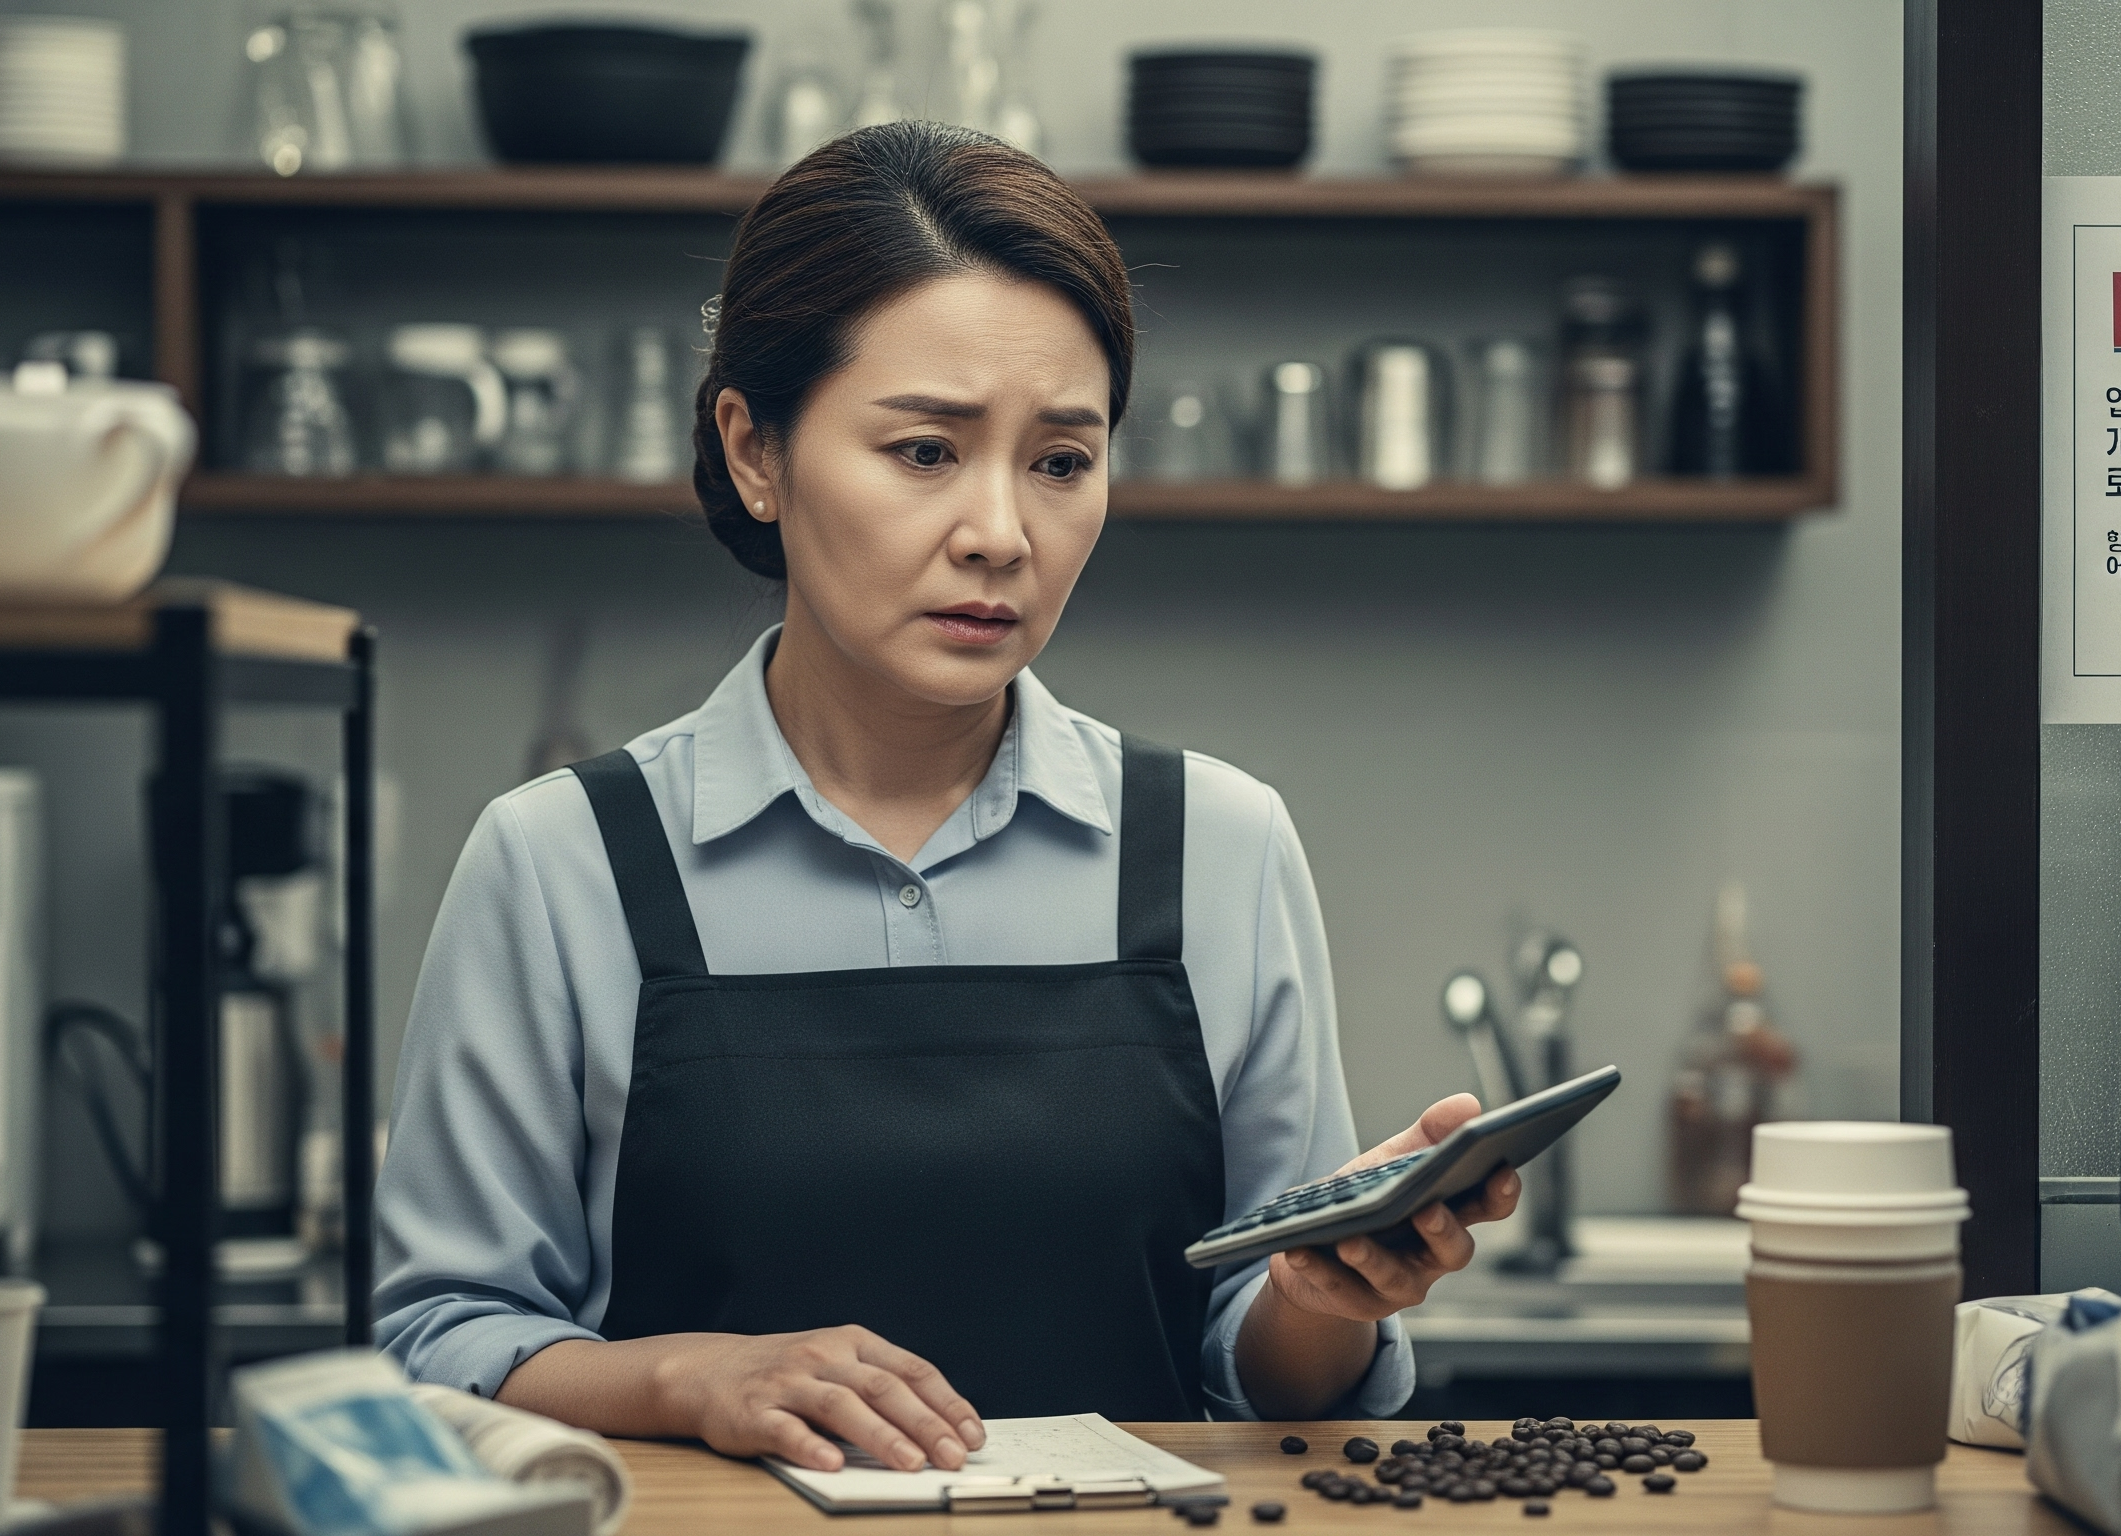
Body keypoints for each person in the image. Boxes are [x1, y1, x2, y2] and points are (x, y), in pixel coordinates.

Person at [373, 122, 1518, 1473]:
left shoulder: (1219, 846)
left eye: (1061, 461)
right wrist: (691, 1379)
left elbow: (1278, 1387)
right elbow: (434, 1339)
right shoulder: (561, 862)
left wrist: (1325, 1297)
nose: (1002, 532)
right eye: (926, 451)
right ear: (756, 450)